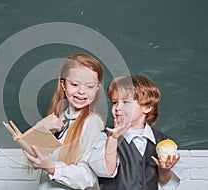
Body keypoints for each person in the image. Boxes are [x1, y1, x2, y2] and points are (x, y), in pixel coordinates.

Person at [21, 53, 105, 190]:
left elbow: (89, 177)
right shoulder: (59, 118)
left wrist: (53, 167)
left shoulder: (92, 123)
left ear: (97, 89)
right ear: (63, 85)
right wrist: (40, 130)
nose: (81, 91)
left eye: (89, 86)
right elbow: (34, 163)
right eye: (75, 84)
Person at [89, 75, 182, 190]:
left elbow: (166, 183)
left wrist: (164, 170)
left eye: (126, 102)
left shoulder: (162, 142)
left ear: (147, 107)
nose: (118, 107)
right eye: (114, 102)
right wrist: (113, 138)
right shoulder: (104, 138)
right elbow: (107, 171)